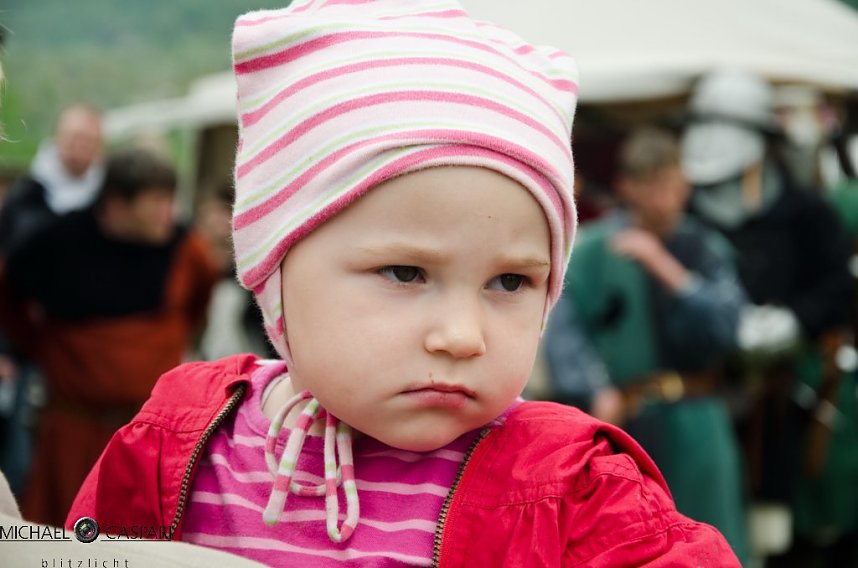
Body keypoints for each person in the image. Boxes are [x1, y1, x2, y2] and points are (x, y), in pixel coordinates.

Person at [66, 2, 739, 566]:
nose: (461, 336)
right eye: (405, 272)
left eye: (509, 282)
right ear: (274, 267)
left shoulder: (573, 492)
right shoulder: (178, 447)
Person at [543, 127, 750, 562]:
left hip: (698, 418)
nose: (664, 199)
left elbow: (730, 329)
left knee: (712, 542)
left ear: (685, 185)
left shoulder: (705, 247)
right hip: (624, 419)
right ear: (627, 187)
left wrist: (666, 268)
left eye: (672, 187)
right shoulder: (592, 251)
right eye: (652, 188)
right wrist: (594, 386)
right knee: (628, 544)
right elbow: (563, 332)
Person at [681, 69, 855, 566]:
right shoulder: (691, 214)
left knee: (797, 529)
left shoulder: (807, 211)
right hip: (710, 392)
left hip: (792, 393)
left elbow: (836, 288)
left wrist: (793, 323)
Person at [0, 147, 220, 527]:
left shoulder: (186, 249)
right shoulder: (55, 243)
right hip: (71, 430)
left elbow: (198, 305)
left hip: (148, 435)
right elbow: (8, 296)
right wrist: (33, 348)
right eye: (156, 201)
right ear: (118, 203)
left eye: (170, 199)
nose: (168, 212)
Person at [0, 103, 105, 498]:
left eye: (90, 141)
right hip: (24, 344)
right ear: (59, 140)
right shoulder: (28, 195)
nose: (82, 148)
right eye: (76, 139)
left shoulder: (105, 201)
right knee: (20, 451)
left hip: (81, 348)